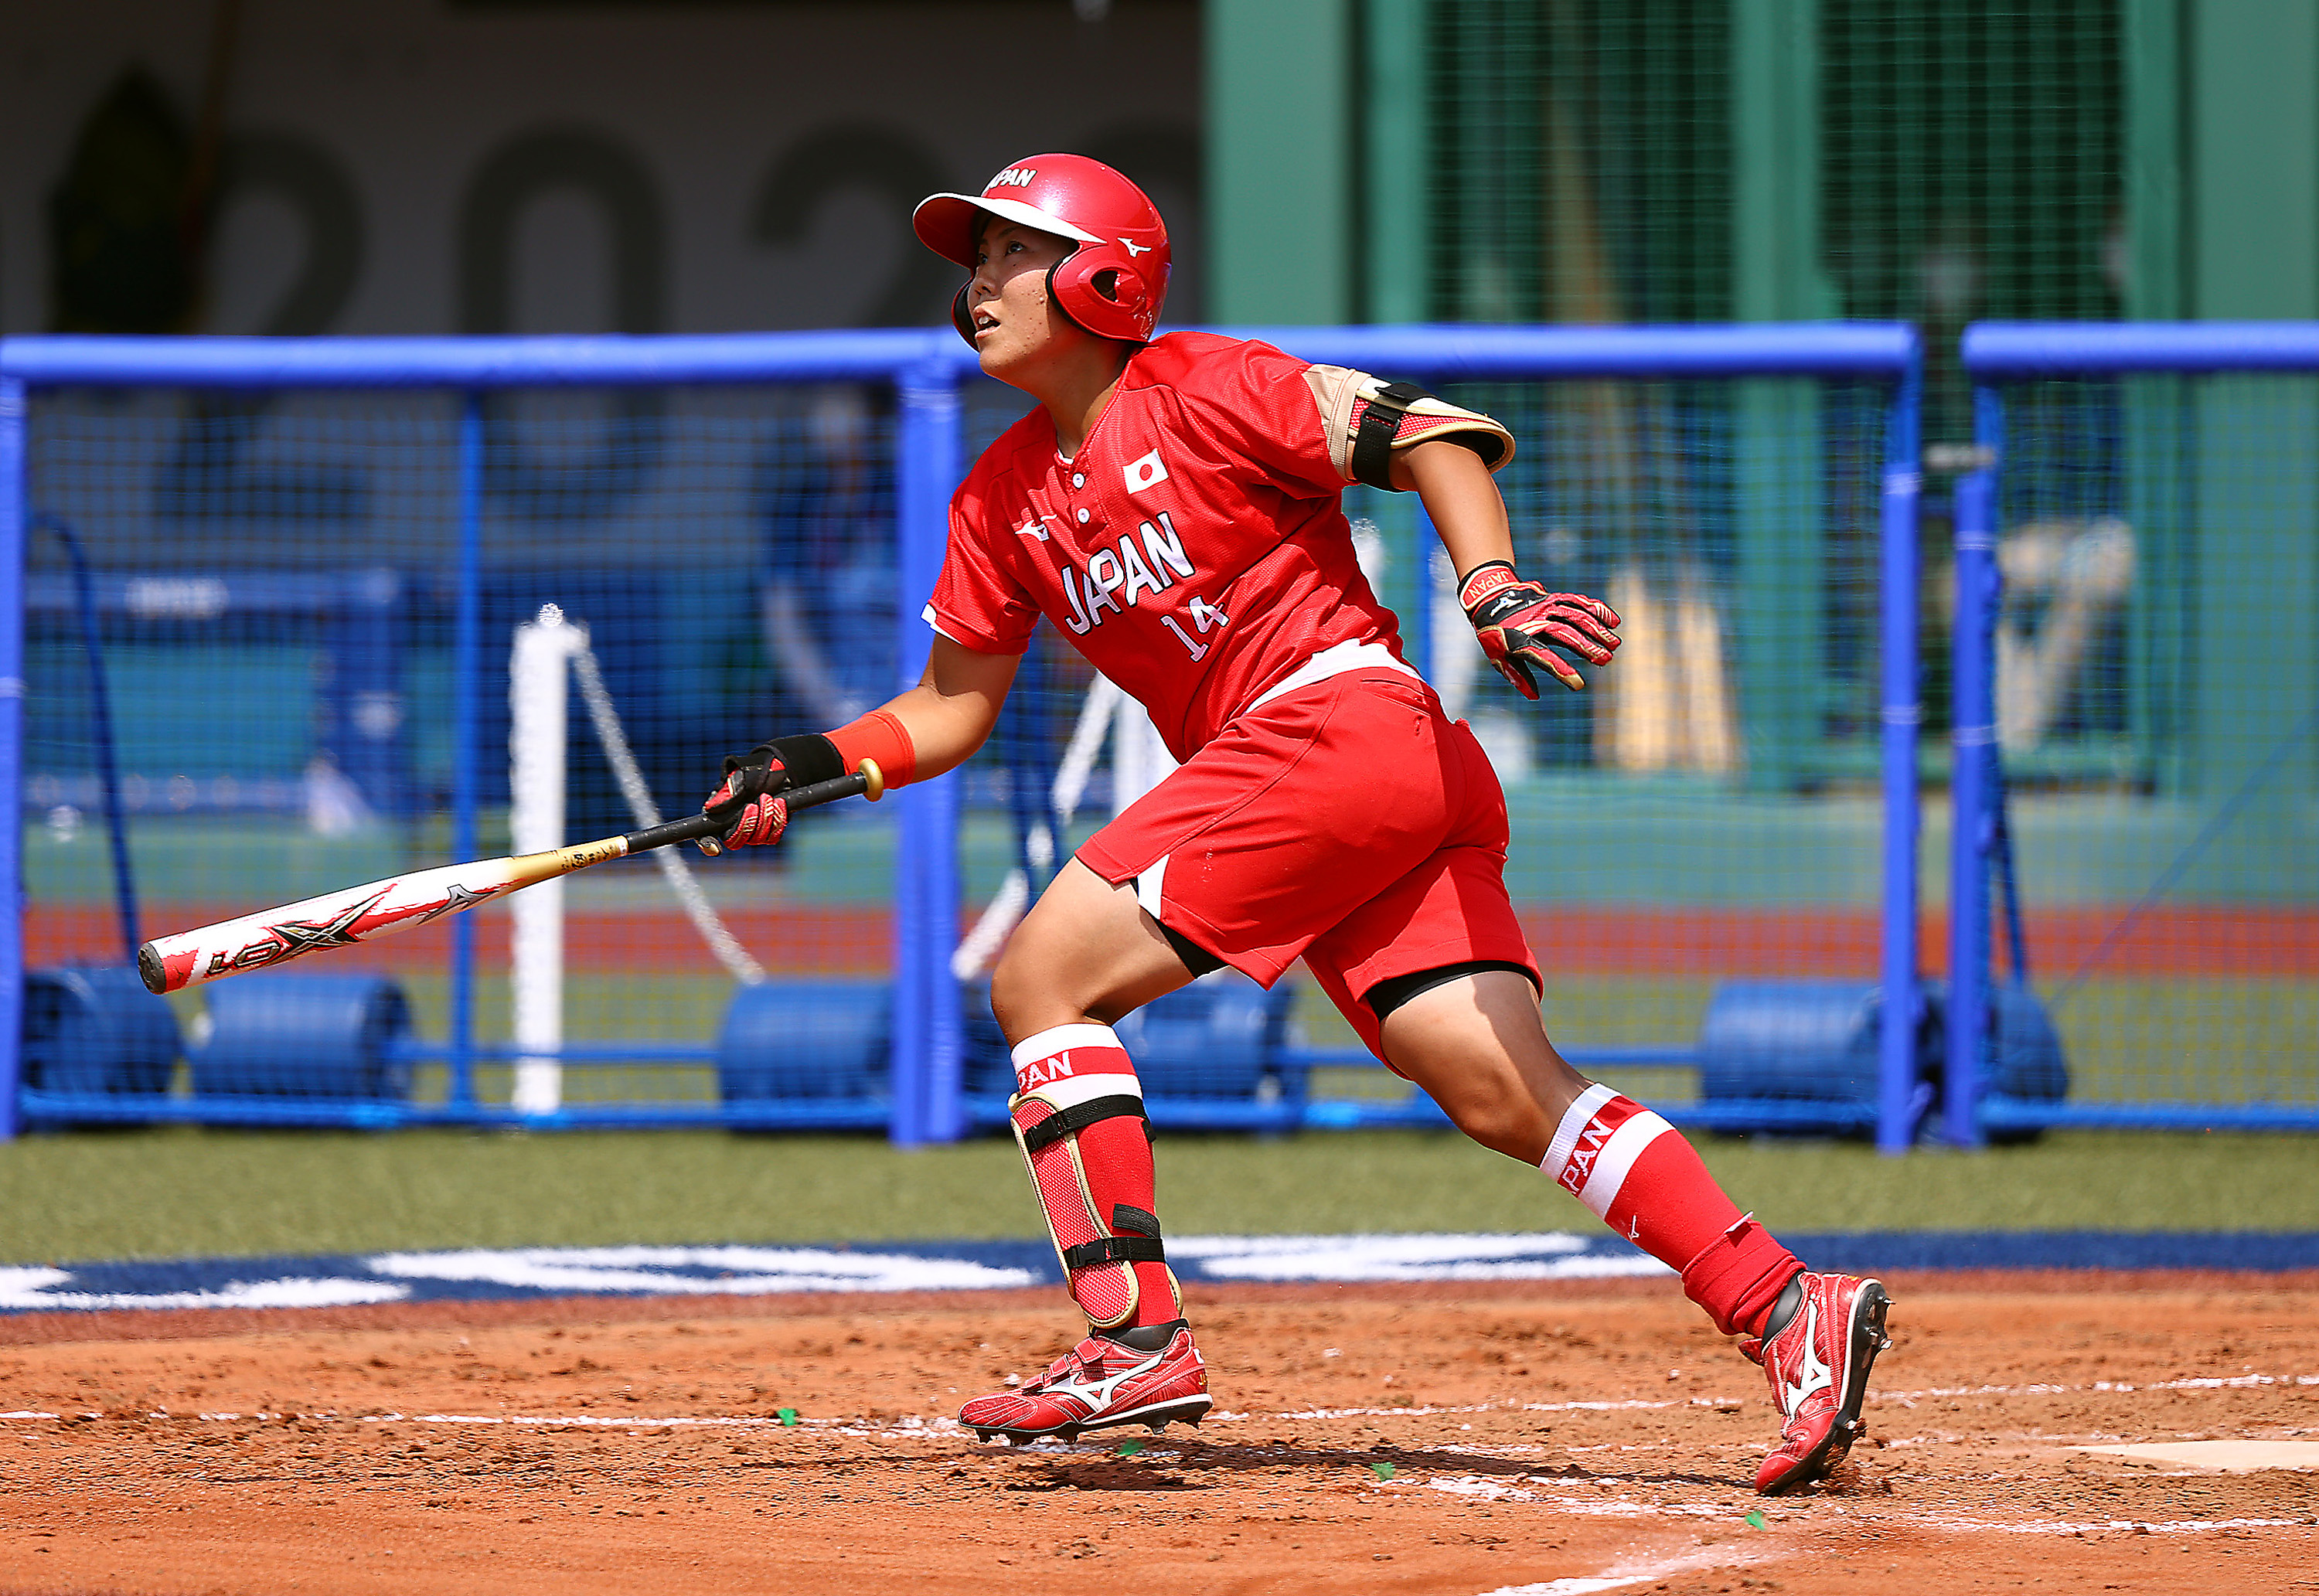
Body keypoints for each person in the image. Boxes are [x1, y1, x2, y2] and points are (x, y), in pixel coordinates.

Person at [702, 155, 1892, 1496]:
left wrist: (1489, 584)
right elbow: (946, 708)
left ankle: (1133, 1334)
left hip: (1335, 727)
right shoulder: (1001, 499)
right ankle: (1789, 1303)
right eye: (970, 259)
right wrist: (804, 764)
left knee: (1043, 977)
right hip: (1348, 780)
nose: (975, 285)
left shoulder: (1212, 384)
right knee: (1499, 1085)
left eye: (1007, 254)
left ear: (1102, 277)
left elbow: (1432, 434)